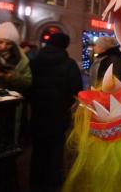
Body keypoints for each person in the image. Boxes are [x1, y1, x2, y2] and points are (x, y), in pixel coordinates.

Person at [28, 32, 83, 192]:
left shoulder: (35, 61)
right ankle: (52, 182)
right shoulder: (69, 63)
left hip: (38, 112)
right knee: (55, 148)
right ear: (64, 45)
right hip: (58, 113)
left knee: (38, 148)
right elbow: (76, 90)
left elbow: (27, 84)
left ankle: (35, 181)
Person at [0, 22, 32, 93]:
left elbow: (27, 83)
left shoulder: (22, 60)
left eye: (8, 44)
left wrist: (13, 77)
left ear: (14, 45)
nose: (3, 46)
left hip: (11, 101)